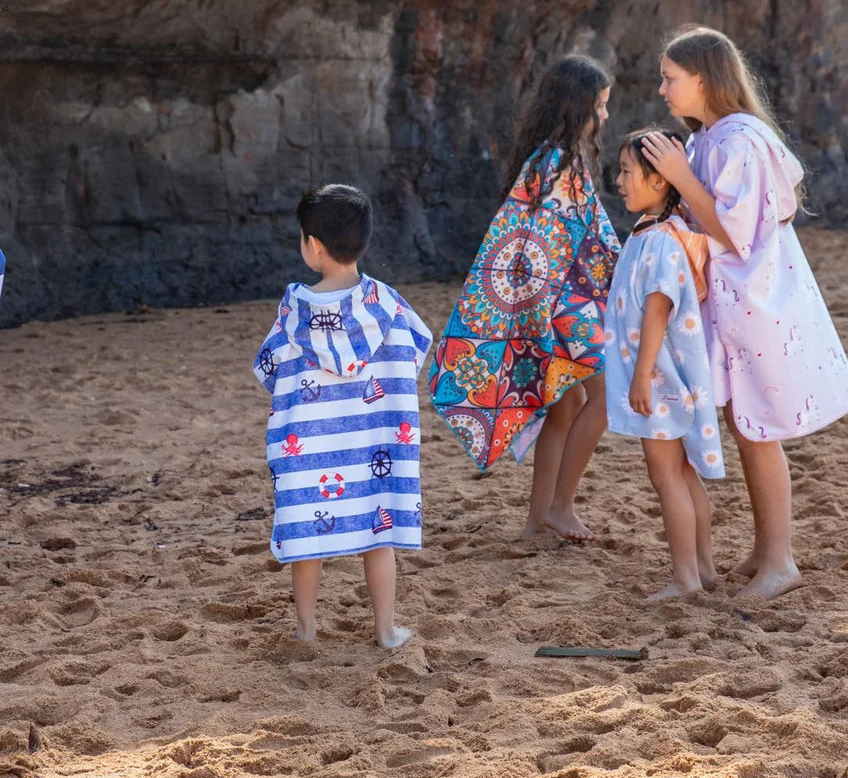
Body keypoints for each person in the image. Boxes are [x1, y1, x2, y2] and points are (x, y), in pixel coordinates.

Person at [642, 25, 848, 600]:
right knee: (746, 426)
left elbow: (733, 232)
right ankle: (766, 551)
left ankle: (781, 561)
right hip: (731, 303)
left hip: (757, 302)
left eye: (670, 78)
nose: (662, 89)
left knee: (757, 428)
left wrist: (680, 178)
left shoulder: (740, 140)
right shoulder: (707, 140)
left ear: (702, 78)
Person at [428, 54, 620, 542]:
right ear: (576, 106)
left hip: (551, 302)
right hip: (560, 305)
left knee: (568, 403)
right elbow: (549, 247)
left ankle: (538, 520)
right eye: (599, 105)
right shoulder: (559, 163)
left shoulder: (544, 157)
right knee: (606, 396)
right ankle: (560, 506)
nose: (604, 115)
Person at [252, 184, 432, 647]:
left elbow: (267, 368)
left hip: (311, 452)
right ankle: (386, 631)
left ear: (313, 245)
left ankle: (306, 629)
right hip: (374, 446)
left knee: (307, 544)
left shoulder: (294, 312)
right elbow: (418, 347)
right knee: (380, 537)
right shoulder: (388, 305)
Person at [605, 132, 724, 599]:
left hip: (659, 378)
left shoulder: (660, 241)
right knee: (682, 472)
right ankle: (704, 569)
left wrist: (641, 377)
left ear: (658, 180)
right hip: (665, 376)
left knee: (666, 476)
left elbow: (658, 309)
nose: (618, 181)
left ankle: (686, 579)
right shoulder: (652, 232)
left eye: (626, 172)